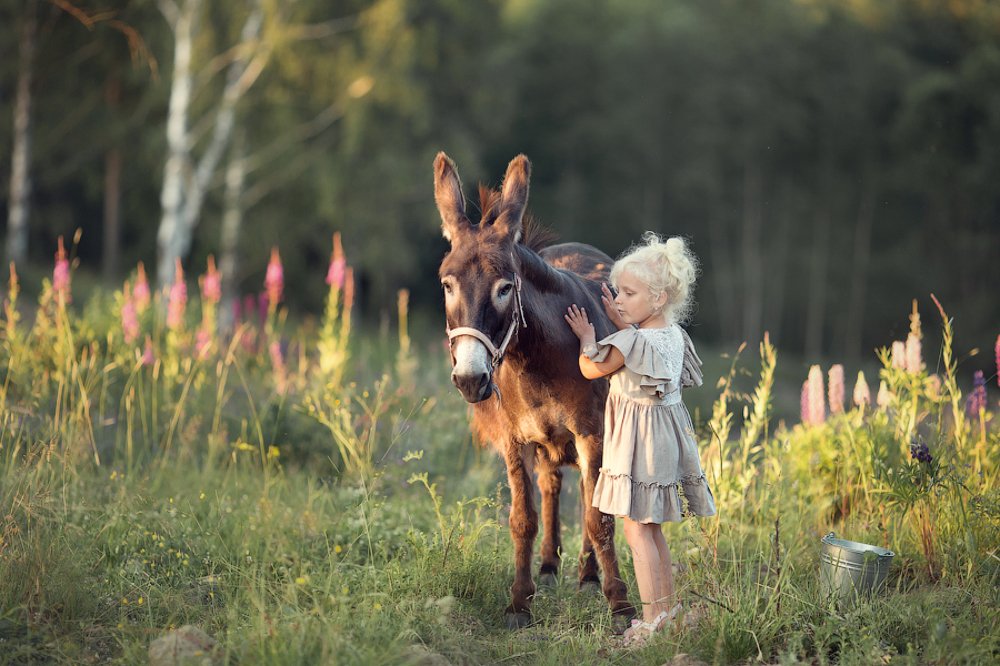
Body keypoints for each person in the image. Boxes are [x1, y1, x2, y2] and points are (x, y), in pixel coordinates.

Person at [564, 232, 716, 646]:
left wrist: (587, 338)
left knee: (635, 531)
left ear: (659, 298)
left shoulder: (629, 342)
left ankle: (651, 620)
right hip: (667, 438)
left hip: (638, 444)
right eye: (618, 292)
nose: (619, 300)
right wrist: (623, 321)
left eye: (629, 294)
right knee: (652, 530)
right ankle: (669, 609)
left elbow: (590, 369)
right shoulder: (674, 336)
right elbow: (642, 347)